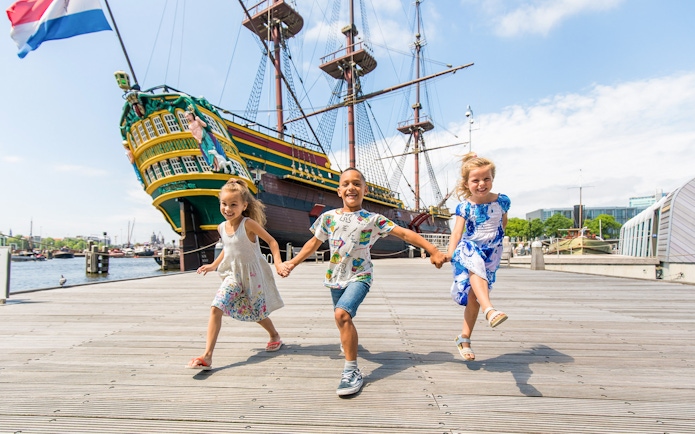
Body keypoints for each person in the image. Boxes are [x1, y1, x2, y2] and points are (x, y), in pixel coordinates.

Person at [284, 167, 447, 396]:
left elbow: (404, 234)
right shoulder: (329, 218)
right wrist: (292, 263)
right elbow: (313, 243)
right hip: (335, 277)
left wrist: (432, 250)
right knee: (342, 321)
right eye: (346, 184)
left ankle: (351, 371)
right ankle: (347, 342)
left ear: (365, 190)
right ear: (339, 190)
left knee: (342, 314)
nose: (352, 187)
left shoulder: (373, 220)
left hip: (361, 276)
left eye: (357, 184)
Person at [186, 178, 288, 370]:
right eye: (224, 204)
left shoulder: (248, 224)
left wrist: (278, 264)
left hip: (252, 276)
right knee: (216, 307)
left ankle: (274, 335)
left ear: (244, 205)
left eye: (233, 204)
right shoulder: (221, 227)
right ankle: (207, 356)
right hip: (232, 275)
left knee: (257, 312)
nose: (228, 209)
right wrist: (213, 265)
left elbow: (272, 242)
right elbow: (228, 248)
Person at [447, 152, 510, 362]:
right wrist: (449, 253)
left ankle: (464, 339)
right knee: (476, 269)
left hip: (492, 252)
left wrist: (496, 241)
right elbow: (457, 232)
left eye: (486, 179)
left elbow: (503, 223)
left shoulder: (502, 201)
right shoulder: (465, 206)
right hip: (469, 247)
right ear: (467, 183)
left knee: (474, 297)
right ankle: (490, 310)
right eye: (476, 180)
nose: (482, 184)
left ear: (492, 179)